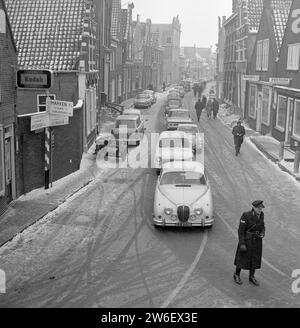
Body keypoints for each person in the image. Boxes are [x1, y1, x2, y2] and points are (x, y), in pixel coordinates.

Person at [233, 200, 266, 286]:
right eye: (259, 208)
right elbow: (241, 231)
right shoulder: (246, 215)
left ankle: (252, 276)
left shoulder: (261, 215)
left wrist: (262, 232)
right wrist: (242, 244)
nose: (260, 210)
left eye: (261, 208)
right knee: (242, 259)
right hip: (247, 240)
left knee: (254, 259)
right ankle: (236, 274)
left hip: (257, 241)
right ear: (254, 207)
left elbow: (262, 226)